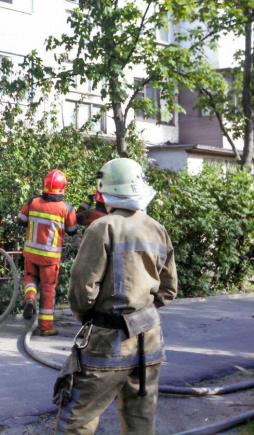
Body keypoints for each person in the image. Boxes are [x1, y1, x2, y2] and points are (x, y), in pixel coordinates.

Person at [55, 158, 177, 434]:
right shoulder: (157, 229)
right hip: (150, 342)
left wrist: (89, 316)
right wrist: (141, 310)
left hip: (109, 342)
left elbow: (82, 289)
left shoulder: (103, 228)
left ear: (104, 191)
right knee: (140, 422)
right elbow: (168, 290)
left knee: (75, 419)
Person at [17, 169, 78, 335]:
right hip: (50, 259)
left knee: (30, 279)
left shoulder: (32, 202)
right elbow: (73, 230)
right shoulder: (66, 208)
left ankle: (29, 298)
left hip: (30, 253)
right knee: (48, 290)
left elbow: (20, 221)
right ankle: (45, 327)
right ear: (63, 187)